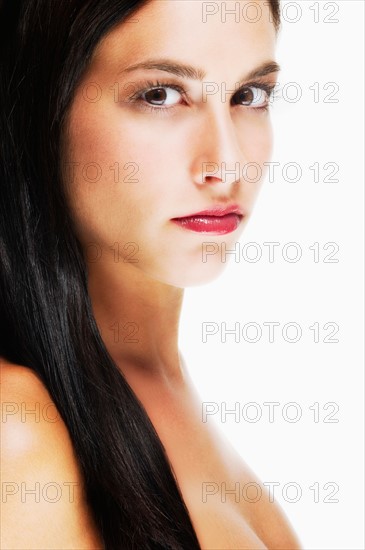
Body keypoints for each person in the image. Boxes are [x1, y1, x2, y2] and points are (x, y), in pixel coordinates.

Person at [0, 0, 302, 548]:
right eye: (160, 94)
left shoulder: (163, 378)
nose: (227, 163)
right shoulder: (14, 428)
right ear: (42, 107)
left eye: (248, 95)